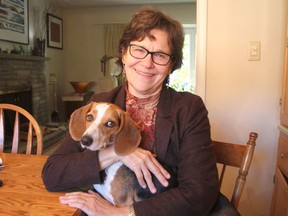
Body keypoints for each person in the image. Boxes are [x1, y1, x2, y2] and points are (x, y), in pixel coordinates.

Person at [42, 6, 219, 216]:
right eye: (139, 49)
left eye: (160, 55)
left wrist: (121, 213)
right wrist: (118, 152)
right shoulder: (100, 103)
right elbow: (53, 174)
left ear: (171, 65)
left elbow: (199, 194)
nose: (147, 63)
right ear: (124, 54)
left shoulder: (189, 109)